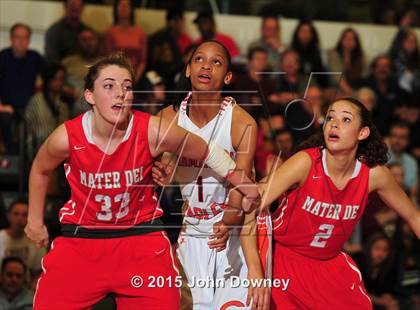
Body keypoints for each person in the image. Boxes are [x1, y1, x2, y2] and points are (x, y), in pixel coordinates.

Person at [24, 53, 260, 309]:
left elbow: (207, 150)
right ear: (89, 96)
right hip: (83, 240)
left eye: (127, 87)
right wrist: (34, 220)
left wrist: (244, 184)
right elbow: (39, 168)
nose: (120, 93)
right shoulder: (67, 136)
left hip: (140, 240)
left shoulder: (152, 129)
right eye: (109, 86)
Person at [246, 97, 420, 309]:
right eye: (330, 118)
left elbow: (414, 216)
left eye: (346, 119)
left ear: (362, 133)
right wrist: (255, 271)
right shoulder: (306, 162)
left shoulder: (374, 175)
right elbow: (250, 205)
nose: (335, 124)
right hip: (284, 259)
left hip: (329, 263)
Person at [152, 40, 269, 309]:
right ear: (188, 70)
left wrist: (228, 220)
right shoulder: (167, 117)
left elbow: (243, 184)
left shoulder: (242, 122)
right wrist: (162, 170)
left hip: (235, 230)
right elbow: (154, 165)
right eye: (199, 59)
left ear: (227, 77)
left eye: (216, 62)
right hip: (191, 230)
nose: (206, 65)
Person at [0, 23, 45, 154]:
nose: (21, 41)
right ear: (11, 39)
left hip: (30, 107)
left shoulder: (34, 57)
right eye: (17, 37)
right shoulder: (3, 56)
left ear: (29, 40)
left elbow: (49, 77)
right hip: (6, 107)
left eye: (24, 38)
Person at [104, 0, 147, 82]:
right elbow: (108, 58)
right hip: (115, 75)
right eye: (121, 4)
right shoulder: (110, 32)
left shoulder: (140, 33)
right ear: (116, 9)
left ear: (131, 9)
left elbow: (143, 61)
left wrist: (135, 78)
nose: (124, 7)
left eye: (127, 5)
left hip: (136, 76)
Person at [0, 200, 46, 277]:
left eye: (24, 215)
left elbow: (41, 271)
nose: (20, 218)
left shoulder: (36, 241)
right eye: (16, 214)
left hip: (27, 286)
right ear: (8, 216)